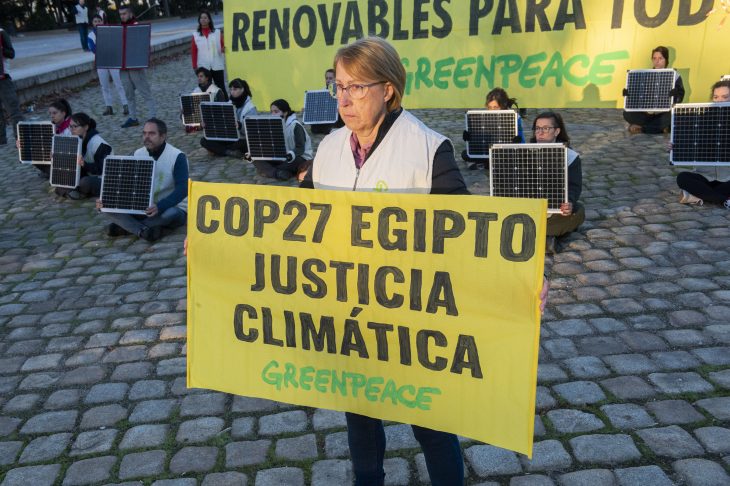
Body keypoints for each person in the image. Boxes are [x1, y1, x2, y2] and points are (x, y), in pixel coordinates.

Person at [301, 36, 468, 486]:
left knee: (430, 422)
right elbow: (287, 224)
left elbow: (470, 234)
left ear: (388, 89)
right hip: (349, 311)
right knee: (359, 413)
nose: (344, 99)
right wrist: (216, 242)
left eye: (356, 87)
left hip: (411, 314)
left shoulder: (429, 149)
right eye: (338, 87)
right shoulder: (329, 148)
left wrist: (523, 277)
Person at [97, 118, 188, 242]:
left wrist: (160, 206)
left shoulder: (177, 156)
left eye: (151, 133)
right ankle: (143, 231)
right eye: (144, 133)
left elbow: (183, 188)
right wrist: (105, 200)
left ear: (163, 136)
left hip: (170, 207)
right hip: (143, 208)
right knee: (106, 208)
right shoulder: (137, 154)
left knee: (170, 214)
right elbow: (121, 183)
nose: (146, 137)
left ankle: (128, 227)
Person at [530, 111, 584, 253]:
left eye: (546, 128)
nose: (540, 132)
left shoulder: (570, 156)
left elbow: (574, 186)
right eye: (537, 128)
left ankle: (535, 235)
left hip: (554, 210)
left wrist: (569, 202)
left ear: (557, 131)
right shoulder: (521, 152)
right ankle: (545, 237)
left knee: (578, 211)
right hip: (527, 208)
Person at [675, 79, 730, 209]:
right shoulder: (701, 118)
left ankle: (697, 196)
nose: (720, 100)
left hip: (728, 178)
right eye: (716, 97)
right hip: (704, 177)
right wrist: (675, 147)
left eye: (725, 97)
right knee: (682, 178)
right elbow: (688, 143)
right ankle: (723, 200)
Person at [623, 46, 685, 134]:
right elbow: (637, 97)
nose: (657, 61)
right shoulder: (645, 75)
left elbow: (680, 96)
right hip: (646, 114)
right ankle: (660, 128)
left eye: (660, 58)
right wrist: (628, 95)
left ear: (666, 60)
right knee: (627, 113)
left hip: (664, 113)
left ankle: (642, 128)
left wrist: (676, 95)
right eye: (654, 58)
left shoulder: (675, 75)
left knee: (673, 115)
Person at [462, 86, 525, 169]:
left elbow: (522, 144)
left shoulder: (515, 118)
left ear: (503, 106)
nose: (492, 111)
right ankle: (486, 164)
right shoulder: (484, 117)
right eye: (490, 107)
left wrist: (517, 142)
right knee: (465, 154)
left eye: (495, 107)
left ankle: (486, 164)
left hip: (507, 154)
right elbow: (481, 140)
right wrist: (469, 138)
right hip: (488, 151)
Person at [251, 99, 313, 181]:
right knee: (256, 158)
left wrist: (290, 155)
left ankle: (271, 171)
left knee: (290, 163)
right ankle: (279, 173)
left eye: (276, 112)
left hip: (299, 158)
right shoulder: (274, 125)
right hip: (283, 157)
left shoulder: (296, 126)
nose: (273, 114)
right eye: (271, 112)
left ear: (285, 112)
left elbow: (300, 148)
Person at [119, 6, 156, 128]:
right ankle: (133, 118)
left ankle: (153, 117)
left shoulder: (137, 26)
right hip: (123, 67)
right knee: (129, 94)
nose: (122, 16)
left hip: (135, 66)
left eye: (124, 13)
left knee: (145, 92)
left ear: (130, 14)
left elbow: (143, 45)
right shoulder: (119, 29)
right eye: (121, 14)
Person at [200, 78, 255, 156]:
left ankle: (222, 150)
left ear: (242, 89)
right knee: (204, 140)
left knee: (246, 144)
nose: (232, 92)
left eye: (235, 89)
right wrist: (207, 124)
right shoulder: (229, 103)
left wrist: (240, 126)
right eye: (231, 89)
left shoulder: (250, 108)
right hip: (229, 136)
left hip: (242, 138)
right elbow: (220, 121)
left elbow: (252, 132)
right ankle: (228, 151)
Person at [87, 14, 128, 116]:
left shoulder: (109, 32)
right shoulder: (90, 35)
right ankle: (108, 107)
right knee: (104, 86)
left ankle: (126, 105)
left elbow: (116, 44)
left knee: (119, 84)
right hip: (101, 62)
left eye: (99, 21)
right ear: (92, 23)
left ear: (102, 22)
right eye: (95, 21)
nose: (97, 23)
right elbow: (93, 49)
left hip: (113, 60)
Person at [67, 112, 112, 200]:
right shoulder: (77, 140)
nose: (72, 130)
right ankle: (77, 191)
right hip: (88, 175)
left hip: (104, 179)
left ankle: (79, 192)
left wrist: (84, 164)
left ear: (86, 127)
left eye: (75, 126)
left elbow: (102, 169)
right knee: (64, 179)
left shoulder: (99, 144)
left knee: (85, 183)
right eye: (70, 126)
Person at [191, 10, 227, 100]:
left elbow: (222, 46)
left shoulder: (217, 32)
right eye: (201, 18)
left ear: (209, 20)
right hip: (204, 66)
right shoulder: (196, 35)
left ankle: (226, 104)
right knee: (205, 89)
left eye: (205, 18)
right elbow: (194, 51)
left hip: (217, 64)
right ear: (199, 20)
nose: (203, 19)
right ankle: (208, 106)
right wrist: (194, 66)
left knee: (221, 87)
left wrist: (223, 49)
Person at [0, 26, 23, 145]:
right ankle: (1, 140)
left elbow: (11, 53)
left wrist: (1, 49)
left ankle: (20, 139)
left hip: (3, 78)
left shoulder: (1, 33)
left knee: (13, 110)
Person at [310, 68, 341, 135]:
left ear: (336, 79)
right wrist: (309, 110)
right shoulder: (322, 91)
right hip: (325, 118)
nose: (328, 80)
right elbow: (318, 108)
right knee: (314, 128)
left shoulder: (341, 91)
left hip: (337, 118)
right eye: (326, 78)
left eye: (330, 78)